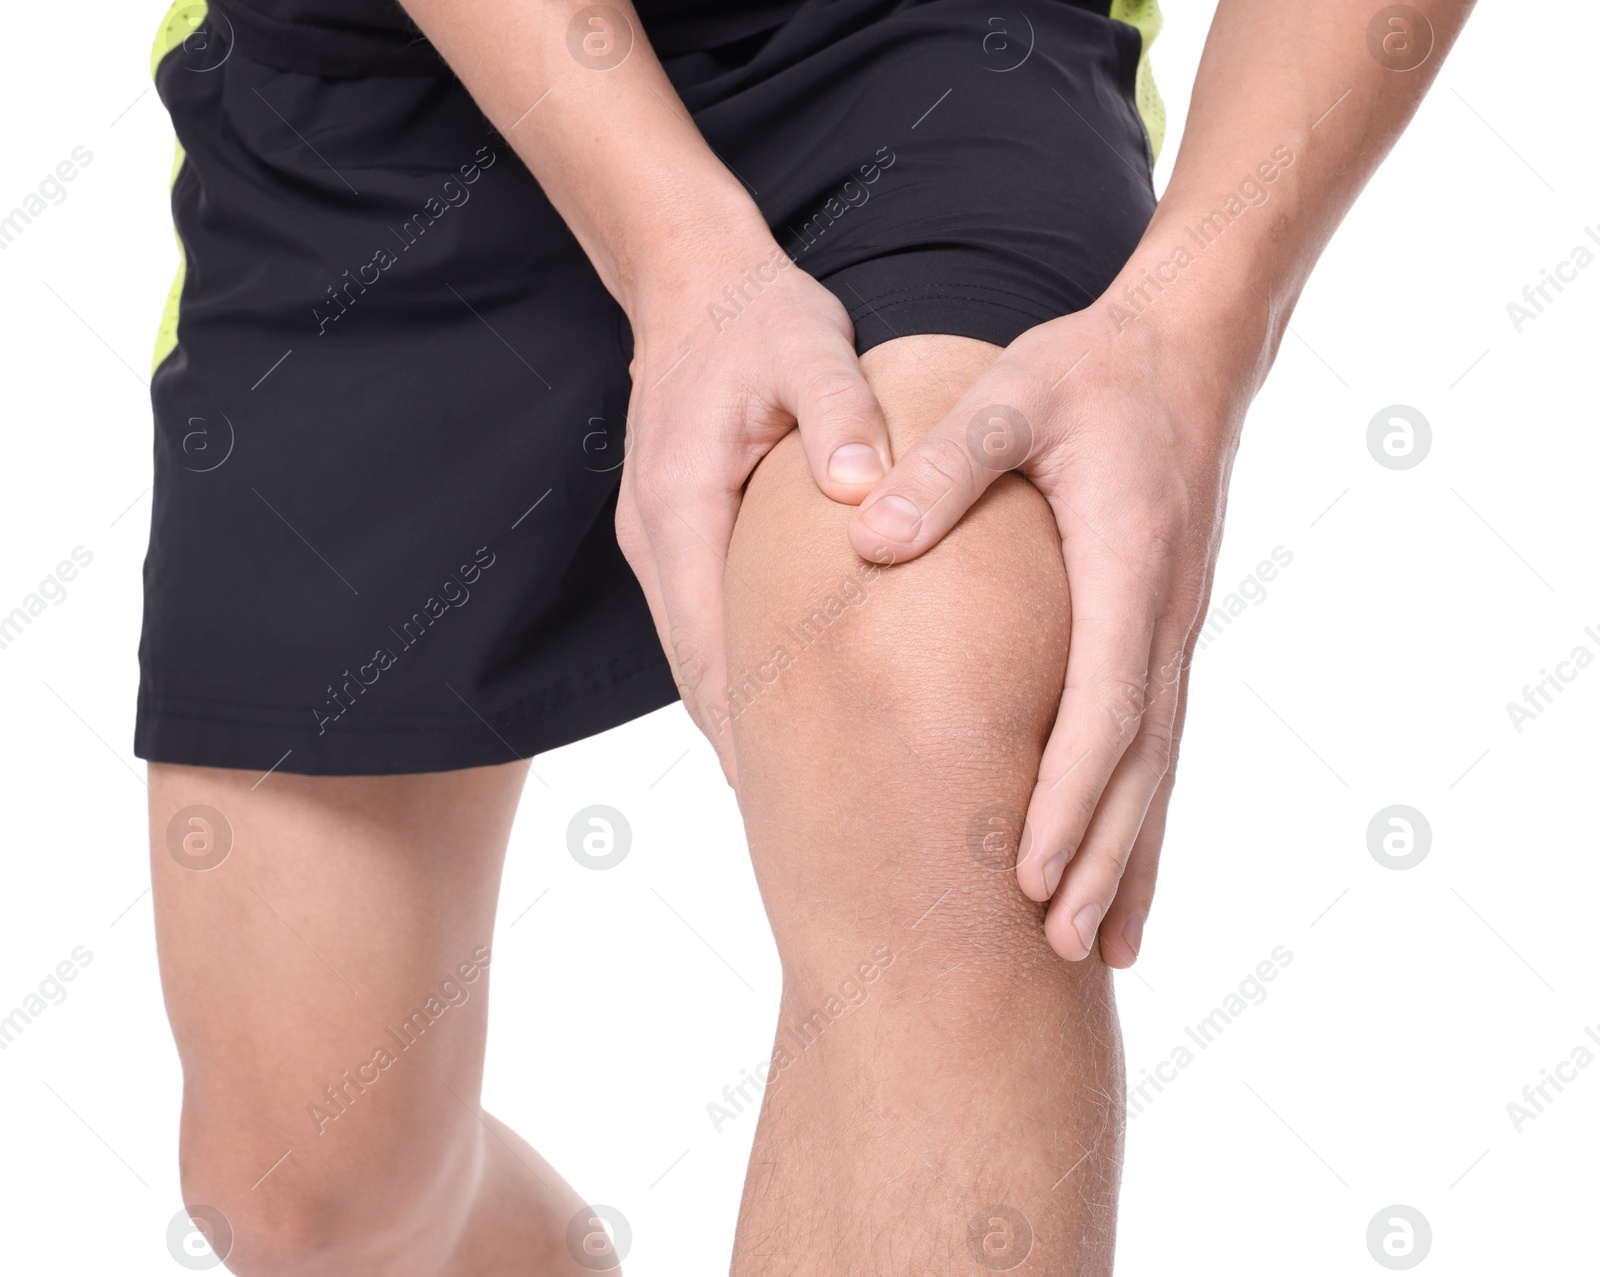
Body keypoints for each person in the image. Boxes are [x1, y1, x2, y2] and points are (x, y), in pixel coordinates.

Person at [141, 0, 1473, 1270]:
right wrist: (675, 250)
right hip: (386, 82)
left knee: (940, 703)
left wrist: (1197, 327)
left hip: (928, 44)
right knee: (304, 1189)